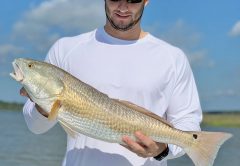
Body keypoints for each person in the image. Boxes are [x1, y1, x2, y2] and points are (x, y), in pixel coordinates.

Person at [21, 0, 202, 165]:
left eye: (132, 0)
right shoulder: (65, 49)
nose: (123, 7)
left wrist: (162, 151)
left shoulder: (172, 58)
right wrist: (42, 105)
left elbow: (188, 123)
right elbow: (35, 126)